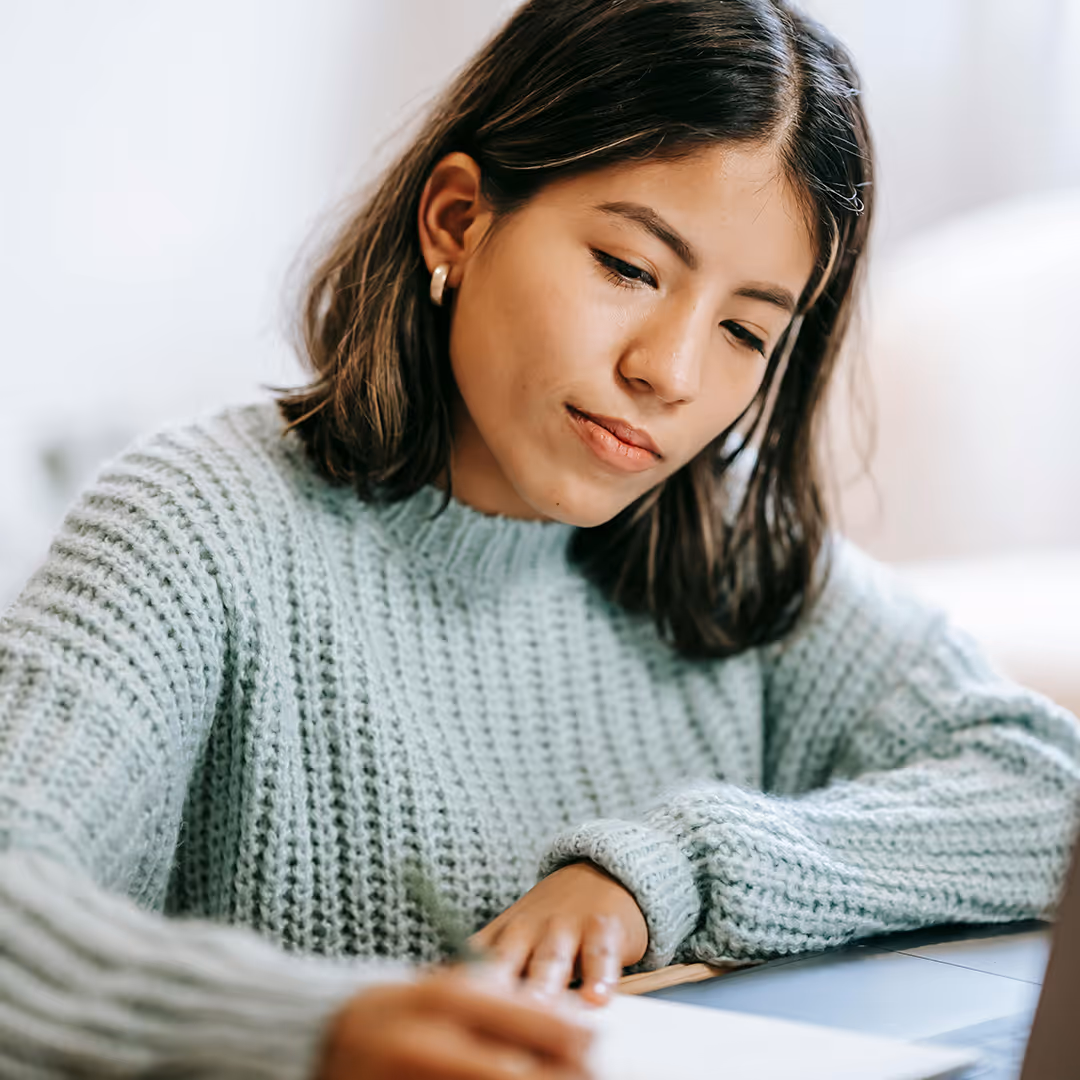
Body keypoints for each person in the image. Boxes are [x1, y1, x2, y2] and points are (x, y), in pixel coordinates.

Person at [1, 0, 1078, 1077]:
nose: (673, 371)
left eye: (747, 329)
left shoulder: (724, 542)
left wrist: (672, 871)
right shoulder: (195, 526)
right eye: (629, 268)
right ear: (459, 221)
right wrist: (313, 1031)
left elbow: (1045, 793)